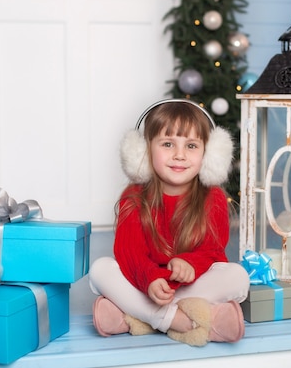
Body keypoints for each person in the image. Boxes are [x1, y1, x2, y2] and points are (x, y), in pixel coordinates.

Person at [88, 99, 250, 347]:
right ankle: (179, 319)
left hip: (189, 285)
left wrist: (190, 264)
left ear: (209, 154)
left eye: (192, 146)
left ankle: (137, 316)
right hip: (145, 283)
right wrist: (151, 278)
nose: (179, 155)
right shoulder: (133, 197)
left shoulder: (213, 198)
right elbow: (129, 253)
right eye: (167, 144)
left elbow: (212, 252)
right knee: (100, 270)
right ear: (144, 151)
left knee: (238, 277)